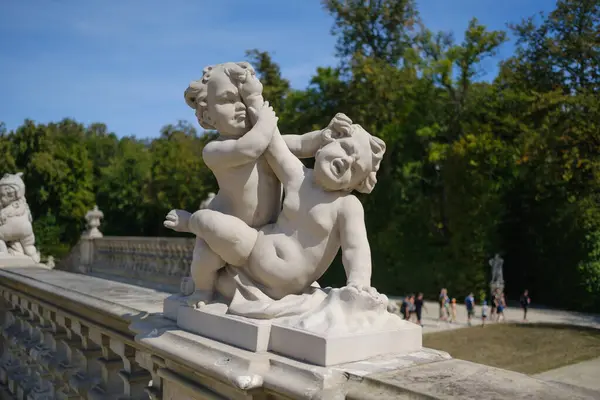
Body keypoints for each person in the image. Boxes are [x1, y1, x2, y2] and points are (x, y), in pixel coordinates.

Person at [165, 113, 386, 302]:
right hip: (256, 251)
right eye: (346, 149)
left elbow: (355, 248)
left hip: (267, 262)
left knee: (207, 220)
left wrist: (359, 281)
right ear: (325, 145)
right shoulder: (299, 177)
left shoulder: (347, 205)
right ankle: (203, 289)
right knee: (209, 259)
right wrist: (258, 106)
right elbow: (272, 143)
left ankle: (190, 222)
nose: (347, 161)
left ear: (353, 184)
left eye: (355, 169)